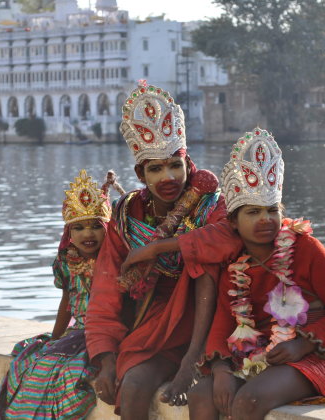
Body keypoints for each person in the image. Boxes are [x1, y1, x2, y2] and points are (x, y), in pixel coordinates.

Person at [121, 128, 325, 420]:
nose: (265, 220)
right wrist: (220, 369)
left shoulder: (305, 248)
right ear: (233, 222)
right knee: (202, 395)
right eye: (253, 212)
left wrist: (302, 345)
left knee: (248, 400)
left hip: (309, 356)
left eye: (272, 211)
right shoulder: (233, 260)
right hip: (250, 356)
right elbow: (222, 322)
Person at [84, 81, 227, 419]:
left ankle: (193, 362)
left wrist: (158, 248)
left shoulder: (211, 205)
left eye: (175, 165)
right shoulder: (127, 214)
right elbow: (105, 294)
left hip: (211, 323)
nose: (168, 177)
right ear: (140, 173)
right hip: (156, 328)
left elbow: (227, 241)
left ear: (187, 163)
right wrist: (105, 358)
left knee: (202, 263)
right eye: (156, 168)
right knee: (132, 386)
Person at [0, 169, 118, 420]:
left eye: (95, 226)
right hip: (76, 332)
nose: (87, 234)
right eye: (78, 228)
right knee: (34, 362)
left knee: (68, 371)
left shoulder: (116, 263)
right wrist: (56, 338)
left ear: (107, 230)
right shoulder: (67, 261)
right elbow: (67, 304)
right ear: (70, 233)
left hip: (106, 334)